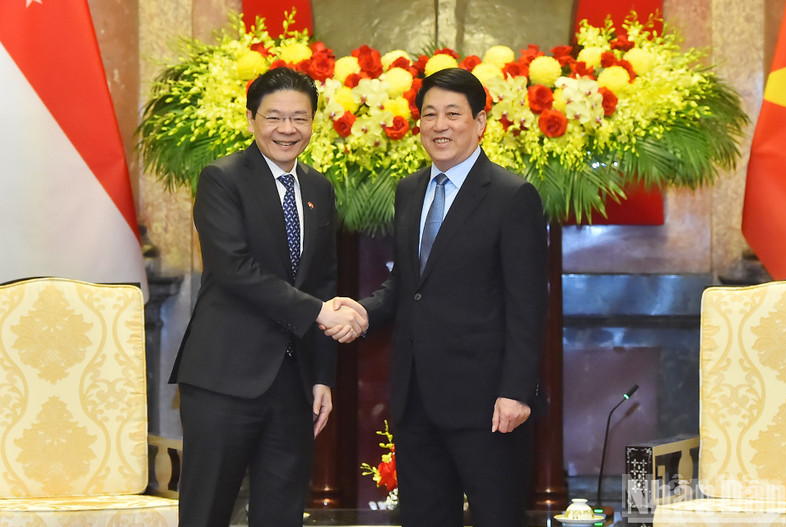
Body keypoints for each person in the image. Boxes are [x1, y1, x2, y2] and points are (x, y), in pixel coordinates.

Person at [329, 67, 548, 527]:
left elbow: (528, 304)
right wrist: (363, 313)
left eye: (453, 113)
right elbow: (410, 285)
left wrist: (515, 392)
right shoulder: (410, 190)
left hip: (489, 403)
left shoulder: (512, 196)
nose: (439, 125)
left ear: (480, 122)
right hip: (416, 399)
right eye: (429, 114)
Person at [169, 67, 367, 527]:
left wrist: (322, 376)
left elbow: (323, 280)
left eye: (299, 118)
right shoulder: (222, 179)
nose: (287, 129)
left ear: (313, 123)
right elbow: (235, 269)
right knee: (206, 511)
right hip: (224, 378)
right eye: (274, 117)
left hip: (292, 383)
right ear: (252, 119)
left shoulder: (319, 187)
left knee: (282, 512)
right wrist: (320, 312)